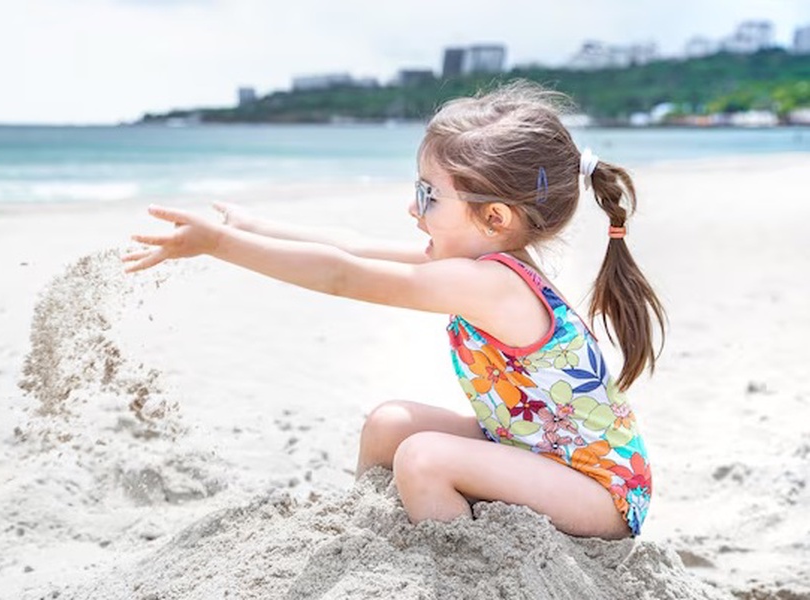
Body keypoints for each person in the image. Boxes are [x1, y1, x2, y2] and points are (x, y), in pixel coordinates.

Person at [122, 81, 665, 540]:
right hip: (531, 450)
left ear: (495, 217)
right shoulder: (480, 263)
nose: (413, 207)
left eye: (429, 195)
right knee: (390, 426)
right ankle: (377, 537)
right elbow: (350, 246)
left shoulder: (490, 284)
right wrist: (252, 228)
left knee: (424, 456)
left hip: (601, 493)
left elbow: (342, 276)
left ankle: (461, 572)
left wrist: (219, 246)